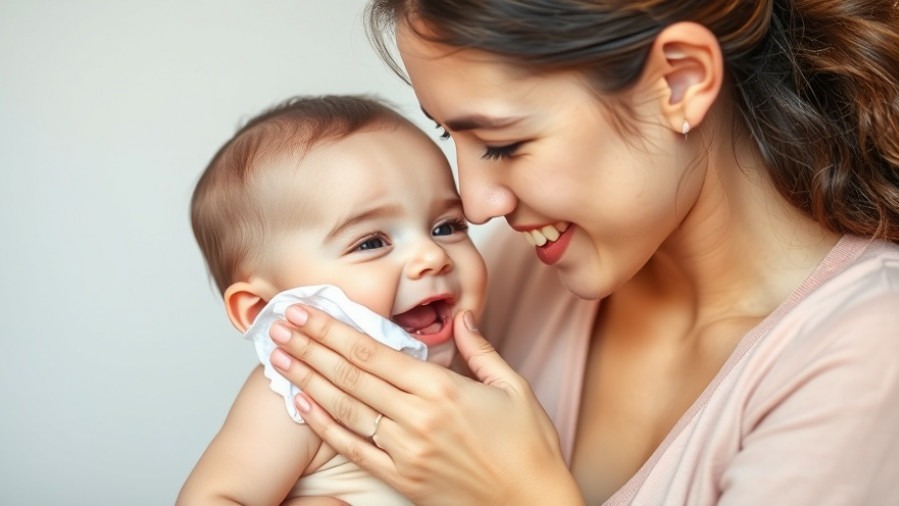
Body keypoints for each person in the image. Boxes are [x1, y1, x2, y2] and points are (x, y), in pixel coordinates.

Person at [262, 1, 899, 504]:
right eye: (447, 131)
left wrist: (517, 497)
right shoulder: (515, 271)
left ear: (680, 81)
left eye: (503, 144)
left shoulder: (868, 352)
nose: (478, 204)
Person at [177, 94, 487, 505]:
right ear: (262, 310)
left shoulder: (478, 376)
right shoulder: (298, 394)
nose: (433, 256)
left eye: (447, 227)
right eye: (372, 242)